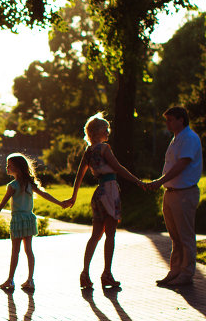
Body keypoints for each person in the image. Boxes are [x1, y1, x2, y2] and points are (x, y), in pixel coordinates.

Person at [62, 114, 145, 290]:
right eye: (105, 129)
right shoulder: (104, 149)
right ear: (98, 131)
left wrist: (74, 196)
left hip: (98, 193)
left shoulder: (89, 151)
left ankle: (85, 273)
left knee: (95, 235)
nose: (108, 132)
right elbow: (118, 168)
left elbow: (79, 175)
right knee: (110, 235)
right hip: (109, 191)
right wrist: (137, 181)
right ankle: (107, 273)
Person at [0, 153, 66, 292]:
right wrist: (60, 203)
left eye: (9, 165)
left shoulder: (12, 185)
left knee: (15, 251)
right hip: (29, 219)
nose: (7, 167)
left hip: (18, 220)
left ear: (18, 168)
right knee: (28, 250)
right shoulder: (29, 184)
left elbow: (2, 204)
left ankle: (10, 280)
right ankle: (30, 280)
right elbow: (45, 195)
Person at [146, 106, 203, 287]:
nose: (167, 123)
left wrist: (159, 180)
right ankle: (175, 270)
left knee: (185, 235)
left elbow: (182, 164)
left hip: (184, 193)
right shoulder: (176, 139)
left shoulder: (189, 138)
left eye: (170, 120)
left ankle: (186, 273)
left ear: (181, 119)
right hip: (171, 192)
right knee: (175, 237)